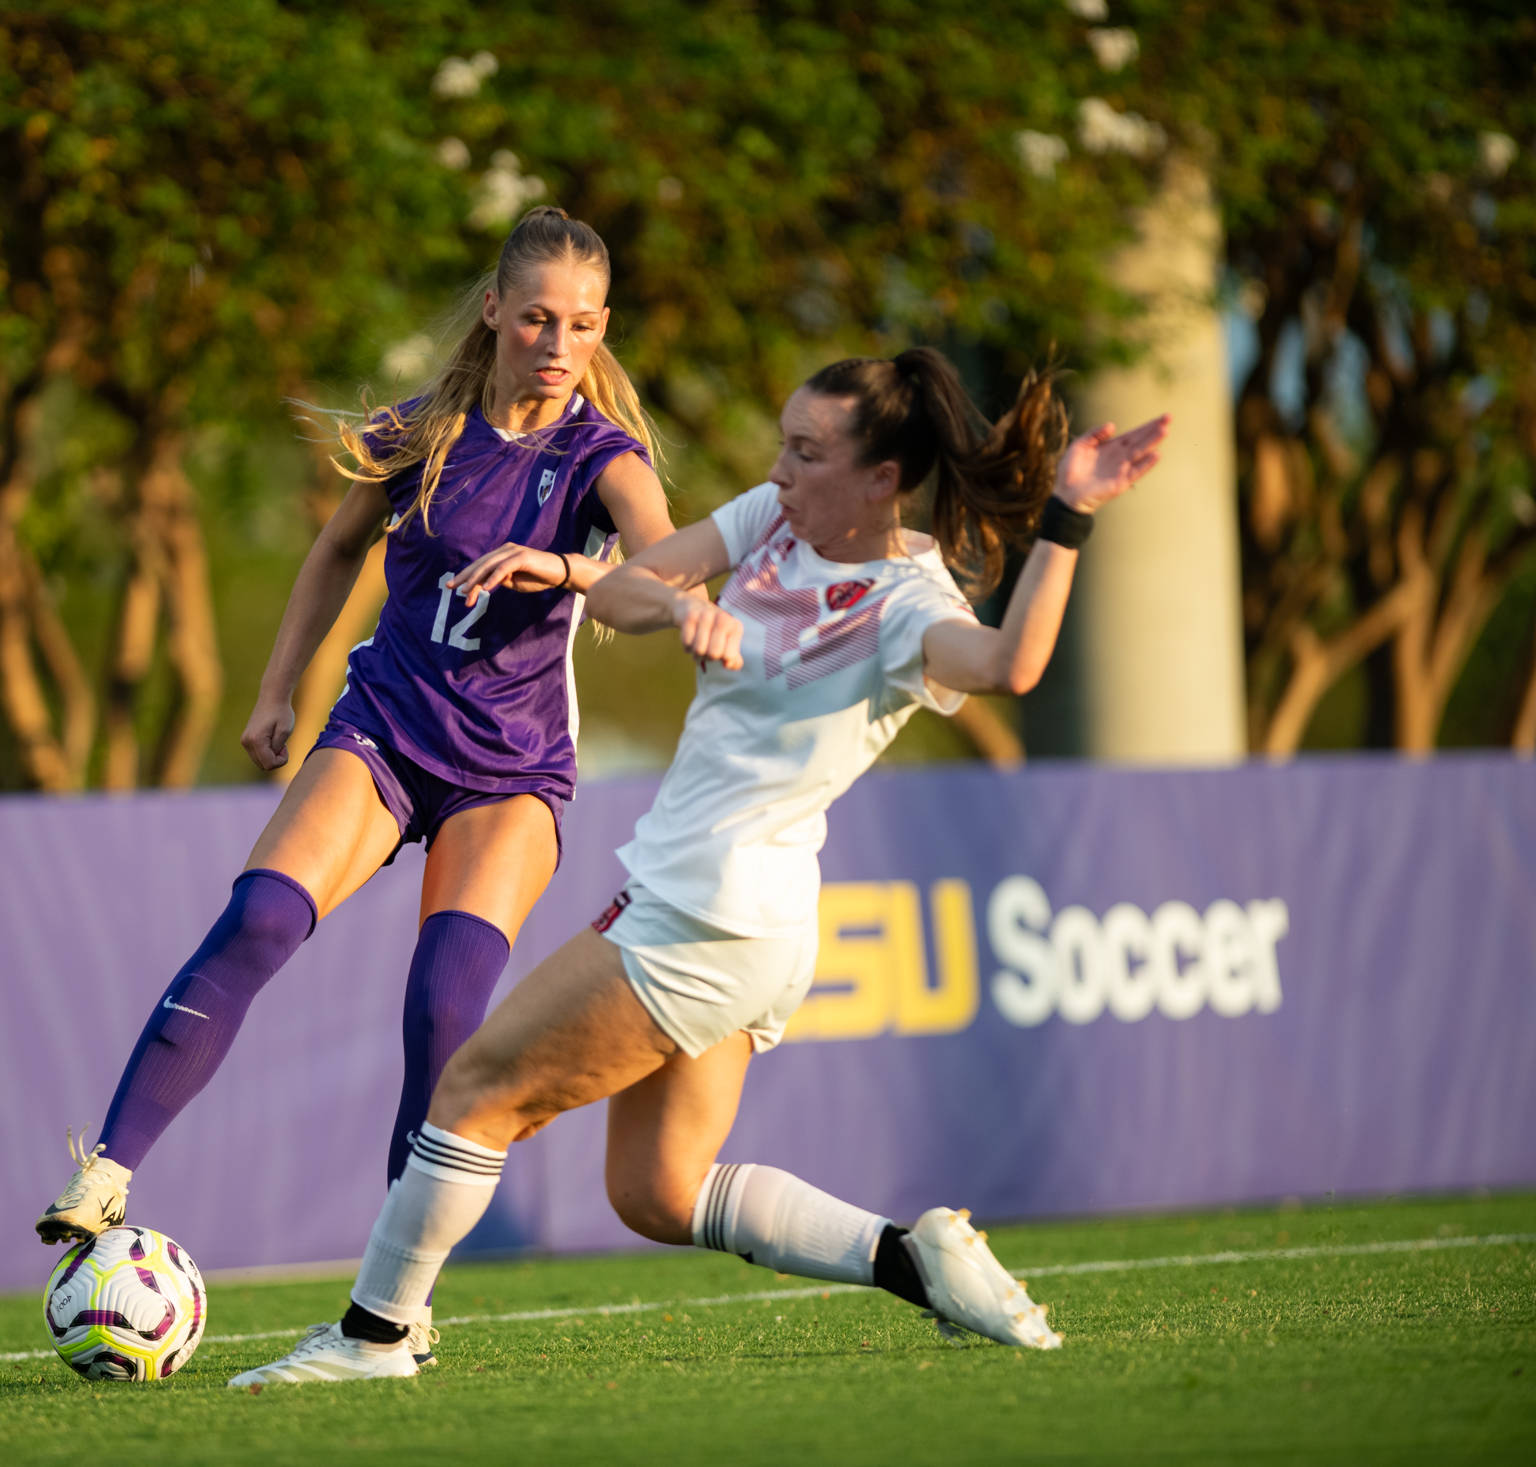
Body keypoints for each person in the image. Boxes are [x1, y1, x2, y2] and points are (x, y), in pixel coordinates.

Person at [228, 348, 1171, 1386]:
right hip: (740, 923)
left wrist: (1070, 518)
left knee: (473, 1089)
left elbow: (1008, 667)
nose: (778, 469)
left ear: (881, 481)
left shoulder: (907, 606)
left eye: (806, 453)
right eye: (781, 440)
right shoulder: (772, 521)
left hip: (704, 918)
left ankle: (375, 1338)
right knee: (659, 1193)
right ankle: (913, 1256)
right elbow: (627, 589)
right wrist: (680, 604)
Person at [37, 208, 682, 1356]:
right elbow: (337, 549)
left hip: (511, 770)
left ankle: (400, 1302)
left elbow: (663, 569)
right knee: (257, 921)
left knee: (445, 1007)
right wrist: (278, 689)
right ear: (492, 310)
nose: (554, 341)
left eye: (580, 324)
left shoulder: (603, 457)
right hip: (384, 724)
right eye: (535, 315)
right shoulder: (420, 432)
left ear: (601, 331)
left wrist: (566, 566)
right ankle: (108, 1174)